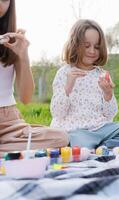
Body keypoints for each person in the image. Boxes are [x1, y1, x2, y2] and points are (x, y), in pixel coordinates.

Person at [50, 19, 119, 150]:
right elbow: (57, 113)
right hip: (76, 132)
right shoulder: (64, 73)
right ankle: (105, 147)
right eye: (86, 46)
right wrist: (68, 86)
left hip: (103, 129)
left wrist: (108, 94)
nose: (92, 51)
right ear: (75, 45)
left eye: (97, 47)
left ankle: (102, 147)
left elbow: (110, 115)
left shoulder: (101, 74)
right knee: (73, 141)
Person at [0, 0, 68, 157]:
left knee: (61, 138)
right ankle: (11, 151)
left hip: (9, 122)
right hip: (9, 139)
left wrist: (23, 55)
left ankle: (8, 149)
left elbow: (26, 97)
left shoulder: (11, 41)